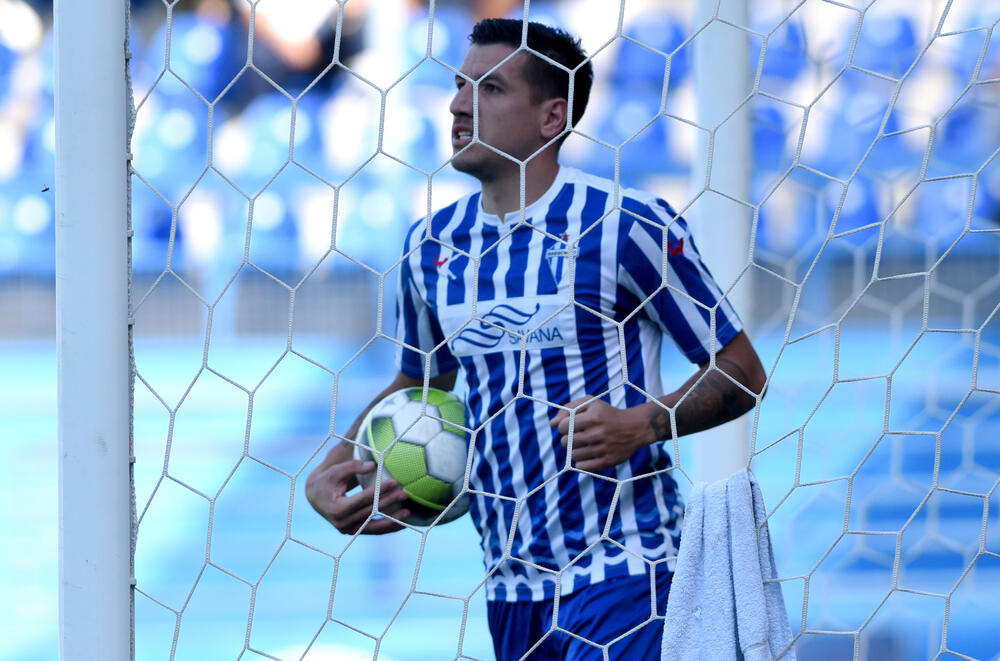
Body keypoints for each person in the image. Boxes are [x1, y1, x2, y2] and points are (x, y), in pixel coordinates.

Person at [306, 17, 766, 661]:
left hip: (630, 571)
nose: (459, 104)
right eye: (460, 85)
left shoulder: (624, 223)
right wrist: (332, 468)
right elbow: (419, 382)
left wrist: (641, 424)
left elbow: (741, 369)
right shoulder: (429, 247)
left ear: (552, 117)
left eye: (490, 89)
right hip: (510, 587)